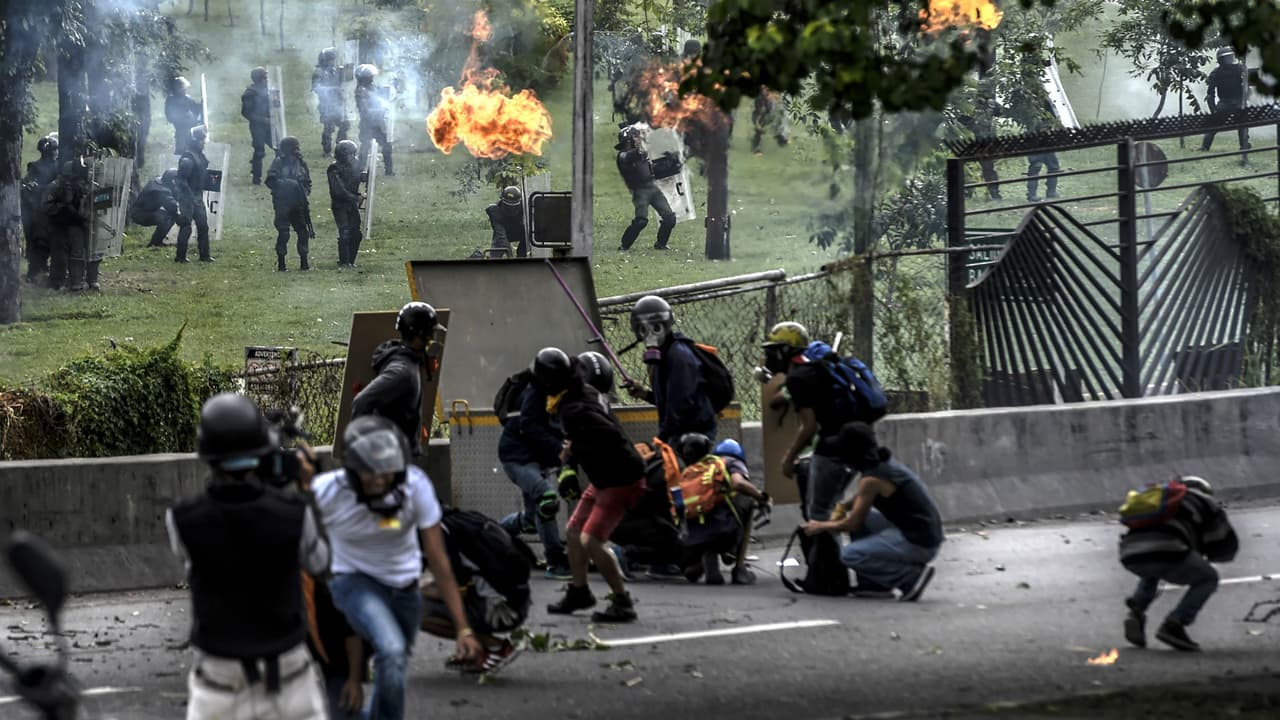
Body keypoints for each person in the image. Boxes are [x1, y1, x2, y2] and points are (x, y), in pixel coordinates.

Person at [166, 393, 331, 720]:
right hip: (289, 680)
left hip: (219, 685)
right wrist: (306, 492)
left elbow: (195, 561)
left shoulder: (182, 520)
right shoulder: (293, 514)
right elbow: (321, 564)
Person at [312, 416, 481, 720]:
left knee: (394, 669)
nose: (378, 479)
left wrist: (463, 627)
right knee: (390, 651)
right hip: (353, 584)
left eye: (385, 471)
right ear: (352, 469)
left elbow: (438, 560)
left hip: (404, 591)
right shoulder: (327, 492)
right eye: (369, 472)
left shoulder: (414, 486)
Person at [540, 348, 645, 623]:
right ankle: (579, 591)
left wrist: (576, 449)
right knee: (574, 532)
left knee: (592, 540)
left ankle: (623, 602)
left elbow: (605, 432)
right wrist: (569, 466)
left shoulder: (575, 408)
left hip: (620, 479)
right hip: (603, 478)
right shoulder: (577, 394)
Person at [802, 421, 943, 601]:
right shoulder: (882, 465)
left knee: (849, 554)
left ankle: (910, 578)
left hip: (921, 542)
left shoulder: (872, 479)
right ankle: (875, 585)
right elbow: (863, 498)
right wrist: (844, 506)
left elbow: (853, 523)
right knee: (865, 517)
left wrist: (820, 525)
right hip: (924, 531)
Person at [1120, 475, 1238, 652]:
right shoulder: (1205, 503)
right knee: (1208, 578)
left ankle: (1136, 613)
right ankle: (1174, 624)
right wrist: (1209, 555)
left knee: (1153, 571)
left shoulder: (1160, 501)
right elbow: (1224, 544)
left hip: (1130, 553)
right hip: (1169, 549)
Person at [420, 507, 531, 676]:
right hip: (515, 600)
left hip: (502, 612)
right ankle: (478, 648)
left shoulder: (440, 535)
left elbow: (456, 589)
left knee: (412, 610)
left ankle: (495, 646)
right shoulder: (460, 518)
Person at [763, 321, 855, 521]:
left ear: (786, 351)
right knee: (825, 513)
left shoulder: (799, 378)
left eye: (773, 350)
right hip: (848, 446)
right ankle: (835, 550)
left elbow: (809, 426)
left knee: (817, 517)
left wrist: (788, 458)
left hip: (832, 450)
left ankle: (834, 552)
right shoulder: (812, 370)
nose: (769, 357)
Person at [496, 351, 571, 579]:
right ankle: (556, 562)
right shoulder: (535, 394)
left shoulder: (553, 392)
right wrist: (559, 447)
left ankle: (491, 536)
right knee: (547, 500)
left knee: (531, 519)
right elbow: (529, 426)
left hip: (534, 459)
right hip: (517, 458)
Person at [350, 301, 443, 457]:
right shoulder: (402, 372)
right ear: (419, 336)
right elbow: (361, 402)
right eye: (430, 334)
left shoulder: (408, 363)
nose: (432, 340)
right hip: (393, 461)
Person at [676, 434, 770, 586]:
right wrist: (761, 497)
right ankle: (739, 568)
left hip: (693, 535)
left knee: (691, 573)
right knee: (748, 501)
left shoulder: (698, 468)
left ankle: (702, 561)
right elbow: (739, 484)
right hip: (722, 529)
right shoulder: (733, 463)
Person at [625, 295, 718, 444]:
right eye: (643, 330)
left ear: (665, 326)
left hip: (694, 437)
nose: (650, 335)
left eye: (655, 328)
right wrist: (644, 394)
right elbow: (671, 401)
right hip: (678, 434)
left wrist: (661, 441)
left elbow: (680, 406)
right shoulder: (662, 357)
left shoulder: (679, 357)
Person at [615, 126, 677, 251]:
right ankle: (624, 245)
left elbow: (653, 170)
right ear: (628, 140)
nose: (638, 139)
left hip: (653, 188)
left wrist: (671, 163)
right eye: (635, 136)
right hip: (640, 192)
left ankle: (661, 244)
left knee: (670, 218)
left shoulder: (641, 154)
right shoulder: (622, 156)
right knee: (641, 221)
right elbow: (629, 156)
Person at [266, 136, 313, 271]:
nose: (296, 151)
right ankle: (281, 263)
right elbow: (270, 181)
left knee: (303, 232)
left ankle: (304, 262)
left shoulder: (302, 164)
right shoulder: (278, 163)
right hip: (283, 203)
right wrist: (288, 184)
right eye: (293, 148)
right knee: (284, 233)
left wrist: (303, 192)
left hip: (299, 203)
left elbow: (308, 182)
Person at [42, 158, 90, 291]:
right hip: (60, 225)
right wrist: (63, 206)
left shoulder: (83, 186)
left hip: (77, 224)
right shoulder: (55, 186)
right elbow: (46, 207)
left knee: (78, 254)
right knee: (59, 256)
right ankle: (57, 284)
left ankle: (76, 282)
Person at [1200, 47, 1251, 159]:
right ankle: (1205, 146)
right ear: (1221, 60)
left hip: (1236, 101)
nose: (1229, 59)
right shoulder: (1217, 72)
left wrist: (1244, 98)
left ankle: (1244, 145)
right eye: (1227, 58)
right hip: (1226, 102)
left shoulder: (1239, 69)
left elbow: (1248, 87)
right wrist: (1213, 110)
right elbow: (1210, 94)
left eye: (1230, 57)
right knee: (1215, 124)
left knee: (1242, 124)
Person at [20, 135, 59, 283]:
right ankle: (35, 271)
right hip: (37, 210)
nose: (54, 153)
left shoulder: (58, 167)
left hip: (49, 208)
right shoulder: (35, 167)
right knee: (37, 241)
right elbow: (28, 187)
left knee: (43, 241)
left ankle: (40, 268)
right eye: (53, 150)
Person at [328, 139, 364, 268]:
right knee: (344, 233)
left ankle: (351, 261)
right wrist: (355, 197)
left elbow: (359, 177)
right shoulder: (334, 168)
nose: (352, 157)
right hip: (340, 205)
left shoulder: (356, 165)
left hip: (351, 204)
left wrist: (365, 177)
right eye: (350, 154)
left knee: (356, 234)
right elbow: (338, 190)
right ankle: (344, 262)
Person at [354, 64, 394, 176]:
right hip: (368, 123)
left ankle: (389, 171)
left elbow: (378, 97)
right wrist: (379, 110)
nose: (372, 78)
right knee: (365, 147)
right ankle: (360, 170)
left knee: (386, 146)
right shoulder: (361, 91)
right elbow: (365, 109)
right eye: (370, 76)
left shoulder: (371, 87)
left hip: (377, 122)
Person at [130, 169, 182, 249]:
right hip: (140, 215)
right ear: (172, 181)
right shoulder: (161, 191)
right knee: (170, 217)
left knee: (167, 216)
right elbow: (173, 207)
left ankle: (157, 241)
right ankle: (155, 243)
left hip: (141, 211)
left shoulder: (156, 182)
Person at [312, 48, 350, 158]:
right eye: (331, 60)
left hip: (338, 103)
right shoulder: (318, 72)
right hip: (327, 104)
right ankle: (327, 151)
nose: (333, 62)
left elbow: (342, 83)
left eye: (333, 60)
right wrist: (332, 89)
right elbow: (316, 88)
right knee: (328, 128)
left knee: (345, 124)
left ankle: (341, 145)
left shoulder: (336, 70)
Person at [241, 66, 273, 186]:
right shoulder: (250, 93)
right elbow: (246, 113)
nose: (267, 79)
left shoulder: (269, 90)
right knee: (259, 151)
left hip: (271, 125)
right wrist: (263, 120)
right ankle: (256, 178)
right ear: (260, 79)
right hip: (257, 127)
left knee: (280, 148)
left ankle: (275, 174)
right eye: (265, 77)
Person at [1025, 97, 1060, 202]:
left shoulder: (1045, 99)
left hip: (1047, 140)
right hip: (1034, 142)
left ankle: (1051, 192)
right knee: (1036, 166)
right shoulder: (1026, 100)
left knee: (1053, 167)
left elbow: (1054, 116)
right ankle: (1031, 194)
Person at [165, 76, 203, 156]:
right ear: (178, 89)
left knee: (194, 153)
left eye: (185, 89)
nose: (185, 90)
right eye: (183, 89)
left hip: (192, 131)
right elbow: (170, 117)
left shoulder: (188, 98)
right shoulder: (171, 100)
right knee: (181, 153)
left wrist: (201, 106)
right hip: (181, 132)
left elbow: (196, 110)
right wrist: (182, 115)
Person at [486, 186, 527, 258]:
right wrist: (510, 258)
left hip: (522, 231)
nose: (512, 210)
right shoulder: (495, 210)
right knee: (497, 248)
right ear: (502, 202)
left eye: (514, 207)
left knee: (528, 237)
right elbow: (501, 237)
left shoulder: (526, 206)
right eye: (509, 207)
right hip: (504, 232)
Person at [750, 89, 790, 154]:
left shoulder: (770, 96)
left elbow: (776, 99)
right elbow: (757, 115)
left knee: (776, 124)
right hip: (759, 117)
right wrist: (757, 125)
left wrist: (776, 99)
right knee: (759, 130)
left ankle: (781, 140)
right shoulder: (759, 99)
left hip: (769, 114)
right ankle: (756, 148)